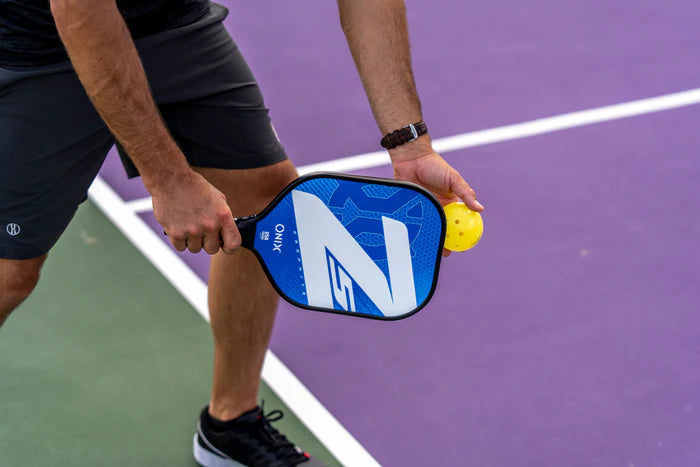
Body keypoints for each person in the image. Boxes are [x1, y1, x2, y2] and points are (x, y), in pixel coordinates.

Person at [0, 0, 484, 465]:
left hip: (170, 21)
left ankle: (230, 423)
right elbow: (78, 8)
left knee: (267, 200)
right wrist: (167, 177)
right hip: (38, 46)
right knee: (10, 274)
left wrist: (410, 147)